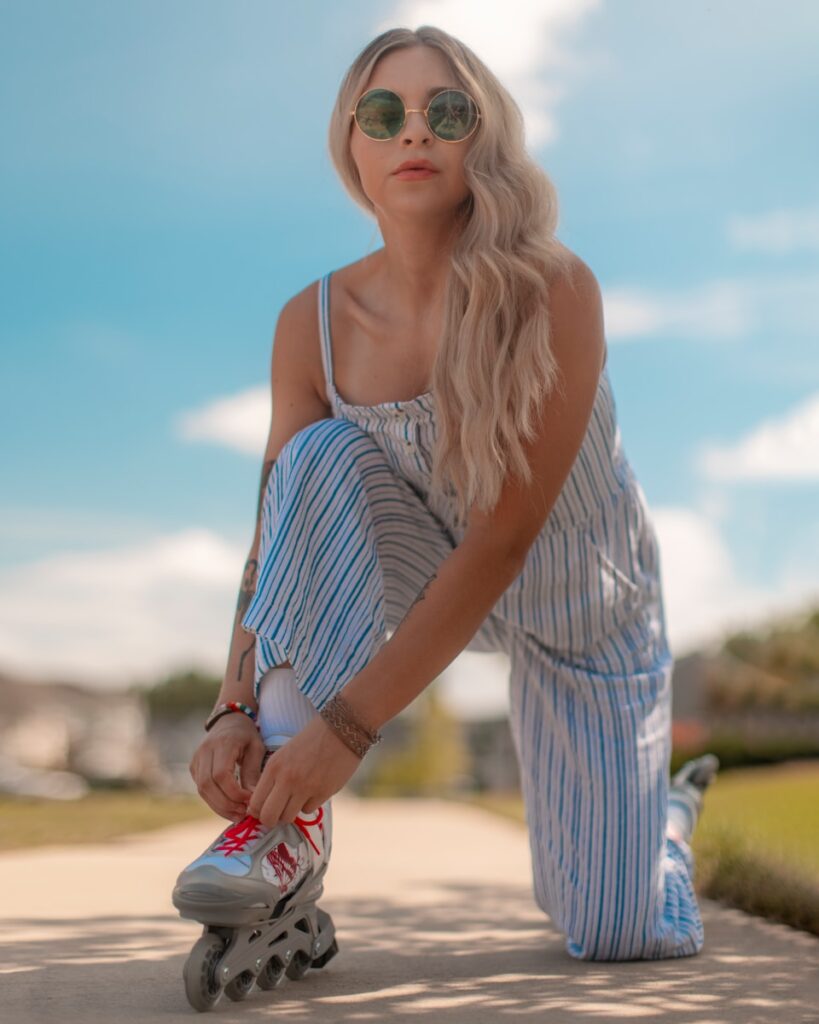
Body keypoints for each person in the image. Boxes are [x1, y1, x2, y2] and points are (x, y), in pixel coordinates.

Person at [185, 24, 720, 965]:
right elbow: (278, 532)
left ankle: (660, 836)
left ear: (483, 136)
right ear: (351, 145)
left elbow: (506, 541)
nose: (414, 134)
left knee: (613, 932)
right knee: (310, 462)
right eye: (384, 114)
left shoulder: (552, 289)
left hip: (580, 606)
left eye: (447, 111)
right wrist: (236, 708)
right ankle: (286, 832)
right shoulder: (310, 325)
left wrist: (350, 728)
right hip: (419, 569)